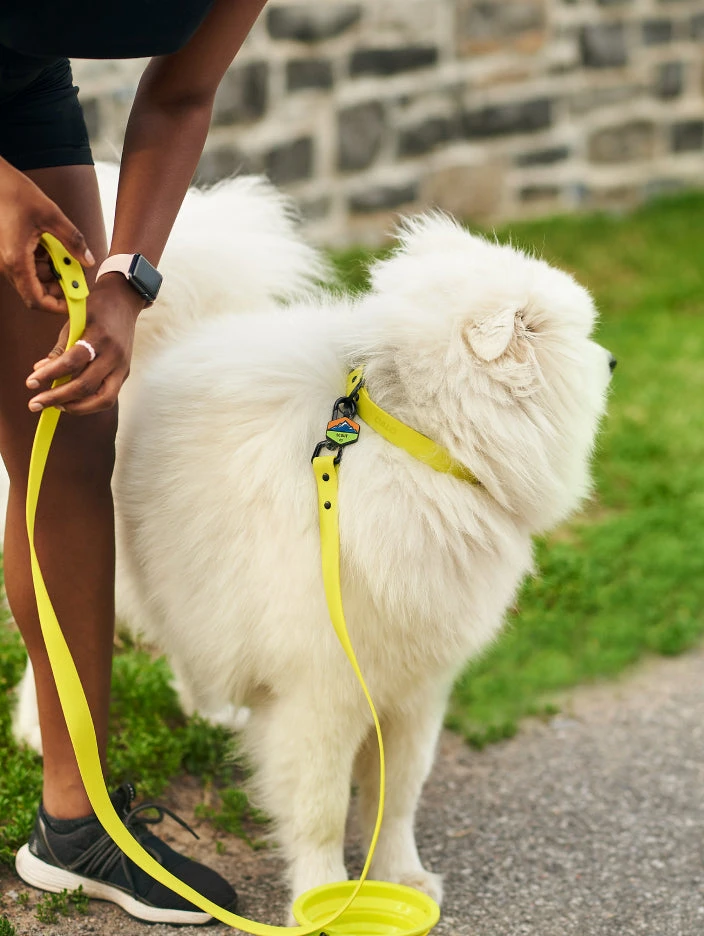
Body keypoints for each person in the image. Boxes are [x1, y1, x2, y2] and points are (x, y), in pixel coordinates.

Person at [0, 0, 266, 924]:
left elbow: (182, 94)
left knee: (67, 426)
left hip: (17, 92)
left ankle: (75, 824)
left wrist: (124, 283)